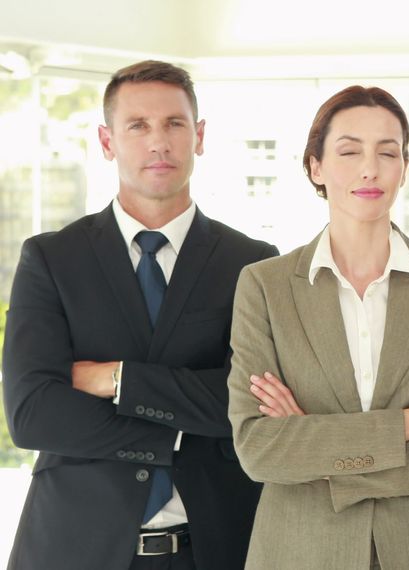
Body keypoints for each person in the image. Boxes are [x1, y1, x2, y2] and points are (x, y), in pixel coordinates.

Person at [2, 60, 277, 569]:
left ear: (198, 136)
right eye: (138, 126)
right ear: (107, 142)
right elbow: (32, 413)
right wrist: (180, 430)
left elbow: (250, 403)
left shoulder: (253, 263)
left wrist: (117, 379)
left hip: (217, 547)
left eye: (174, 124)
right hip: (74, 548)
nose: (159, 142)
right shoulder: (51, 259)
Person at [227, 85, 409, 570]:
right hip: (300, 551)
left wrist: (316, 447)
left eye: (387, 152)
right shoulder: (264, 286)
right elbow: (259, 449)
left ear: (403, 168)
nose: (370, 168)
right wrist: (404, 426)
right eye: (349, 151)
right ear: (316, 167)